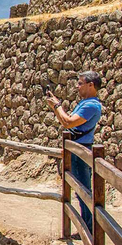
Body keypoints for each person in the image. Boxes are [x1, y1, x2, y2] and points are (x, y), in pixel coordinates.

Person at [46, 71, 102, 233]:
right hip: (78, 148)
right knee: (80, 189)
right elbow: (68, 121)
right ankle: (88, 226)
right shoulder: (85, 103)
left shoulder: (91, 105)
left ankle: (89, 228)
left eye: (80, 83)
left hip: (81, 150)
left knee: (83, 189)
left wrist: (56, 106)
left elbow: (68, 122)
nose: (77, 87)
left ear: (91, 85)